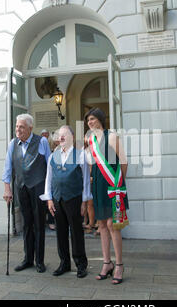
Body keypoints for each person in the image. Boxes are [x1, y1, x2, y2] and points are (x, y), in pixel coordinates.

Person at [40, 126, 91, 278]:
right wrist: (48, 199)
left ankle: (81, 264)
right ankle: (64, 263)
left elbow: (86, 181)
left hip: (74, 198)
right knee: (60, 232)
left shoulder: (80, 155)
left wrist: (84, 201)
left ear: (72, 137)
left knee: (76, 232)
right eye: (59, 135)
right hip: (56, 199)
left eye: (65, 135)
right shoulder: (52, 156)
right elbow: (48, 178)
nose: (61, 138)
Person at [2, 113, 51, 273]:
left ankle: (39, 261)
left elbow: (49, 166)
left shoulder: (42, 141)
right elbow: (8, 167)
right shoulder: (12, 144)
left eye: (21, 127)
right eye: (17, 126)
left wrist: (49, 191)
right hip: (21, 187)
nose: (18, 129)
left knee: (38, 224)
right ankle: (28, 259)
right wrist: (7, 188)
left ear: (30, 128)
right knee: (26, 224)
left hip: (38, 187)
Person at [85, 108, 129, 285]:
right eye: (88, 120)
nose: (90, 122)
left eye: (93, 119)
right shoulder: (90, 139)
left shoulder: (112, 137)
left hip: (113, 186)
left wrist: (119, 182)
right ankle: (106, 263)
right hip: (98, 185)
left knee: (113, 224)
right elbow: (92, 163)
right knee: (101, 224)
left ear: (101, 119)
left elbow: (123, 161)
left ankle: (119, 265)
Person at [41, 128, 56, 231]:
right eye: (43, 134)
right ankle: (49, 221)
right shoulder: (42, 143)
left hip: (52, 179)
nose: (45, 136)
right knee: (47, 201)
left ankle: (52, 221)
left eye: (46, 134)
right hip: (44, 178)